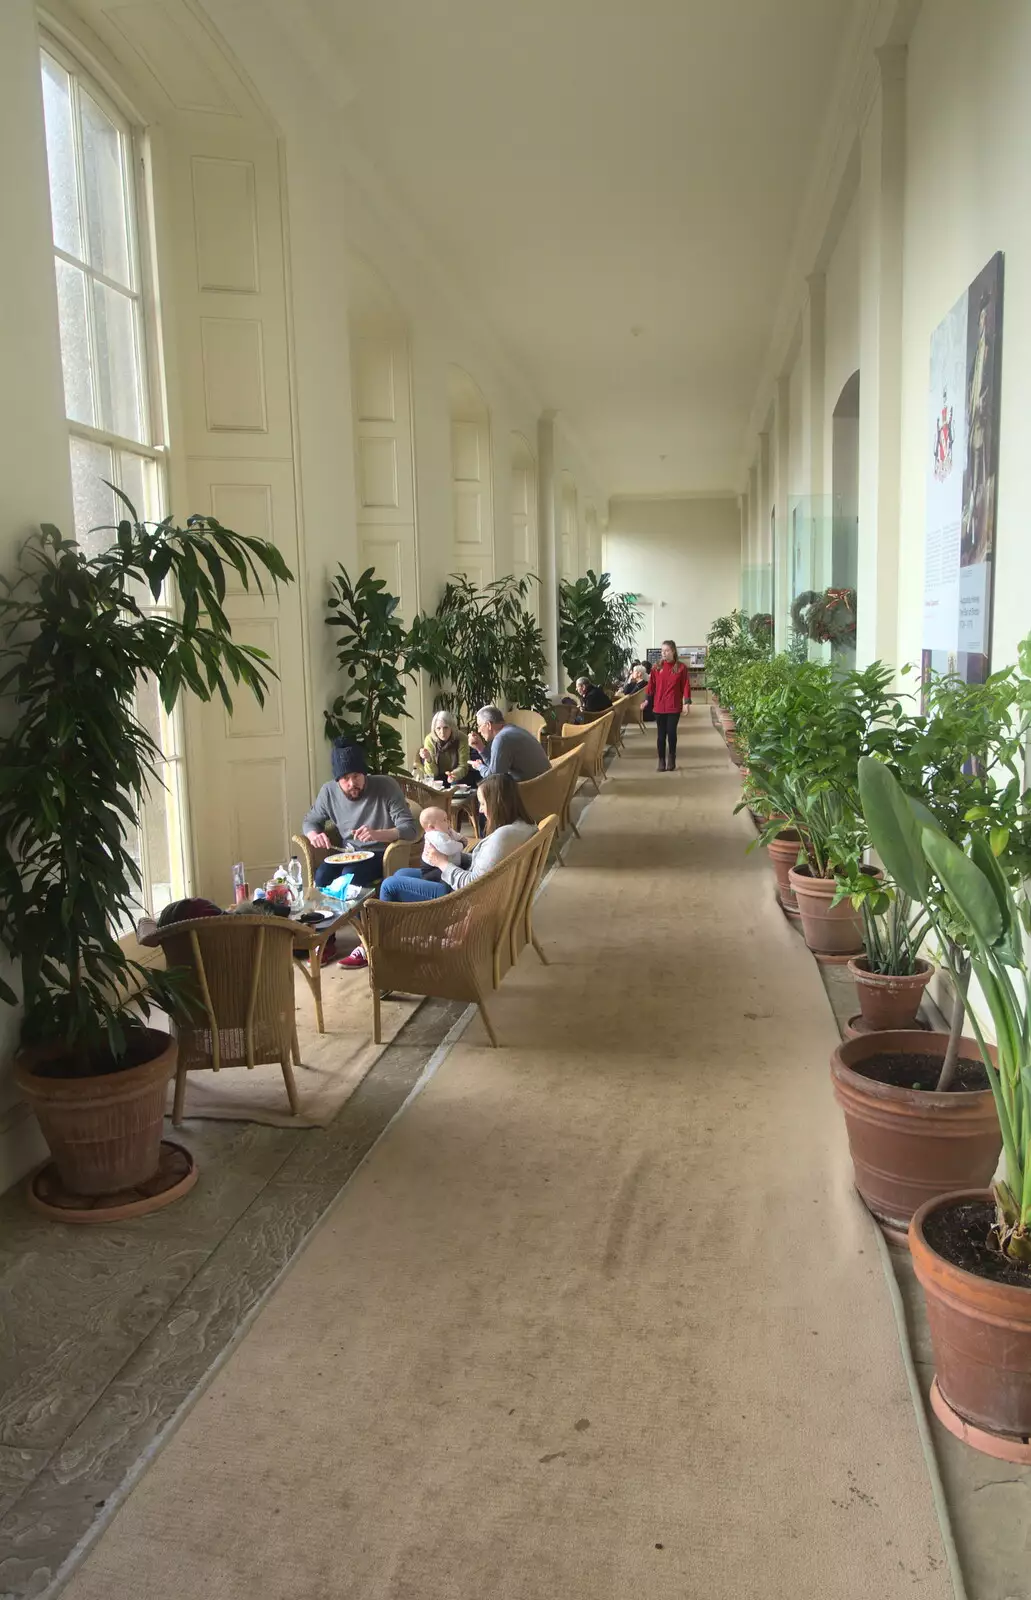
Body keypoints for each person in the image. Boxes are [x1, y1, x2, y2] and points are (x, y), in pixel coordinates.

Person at [377, 774, 537, 906]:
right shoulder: (523, 827)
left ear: (498, 804)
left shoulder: (503, 837)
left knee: (389, 885)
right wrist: (453, 856)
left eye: (482, 803)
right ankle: (413, 927)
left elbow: (474, 885)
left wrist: (441, 862)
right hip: (467, 884)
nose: (480, 810)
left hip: (460, 897)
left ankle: (384, 940)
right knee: (400, 873)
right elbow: (488, 865)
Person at [301, 741, 417, 890]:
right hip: (348, 853)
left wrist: (377, 834)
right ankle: (327, 913)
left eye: (356, 776)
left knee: (349, 876)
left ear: (364, 773)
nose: (352, 784)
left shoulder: (386, 786)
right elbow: (310, 820)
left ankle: (357, 913)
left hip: (382, 853)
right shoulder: (329, 792)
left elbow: (410, 830)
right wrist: (313, 835)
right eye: (345, 778)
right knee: (322, 876)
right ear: (337, 780)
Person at [468, 706, 550, 783]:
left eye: (479, 726)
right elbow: (496, 768)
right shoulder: (510, 730)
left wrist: (479, 766)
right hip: (544, 783)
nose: (478, 731)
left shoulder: (502, 739)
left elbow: (494, 779)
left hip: (532, 788)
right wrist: (480, 748)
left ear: (488, 725)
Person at [647, 640, 692, 771]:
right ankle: (661, 760)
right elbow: (651, 686)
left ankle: (671, 757)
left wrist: (686, 703)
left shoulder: (681, 668)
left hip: (673, 706)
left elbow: (685, 685)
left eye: (666, 650)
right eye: (662, 651)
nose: (664, 653)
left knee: (671, 733)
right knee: (661, 735)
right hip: (659, 707)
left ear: (673, 651)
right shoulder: (657, 667)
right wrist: (646, 700)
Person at [417, 710, 471, 783]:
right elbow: (432, 773)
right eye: (438, 728)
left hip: (457, 775)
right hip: (437, 776)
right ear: (434, 729)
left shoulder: (461, 738)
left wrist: (454, 774)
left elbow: (464, 766)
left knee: (456, 783)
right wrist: (428, 759)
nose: (442, 732)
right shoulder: (430, 739)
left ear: (451, 727)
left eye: (446, 728)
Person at [417, 805, 465, 883]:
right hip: (432, 868)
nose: (448, 821)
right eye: (444, 820)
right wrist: (461, 844)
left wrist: (461, 838)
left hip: (442, 863)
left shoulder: (444, 829)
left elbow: (454, 835)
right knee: (442, 878)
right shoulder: (434, 835)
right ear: (432, 827)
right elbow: (448, 848)